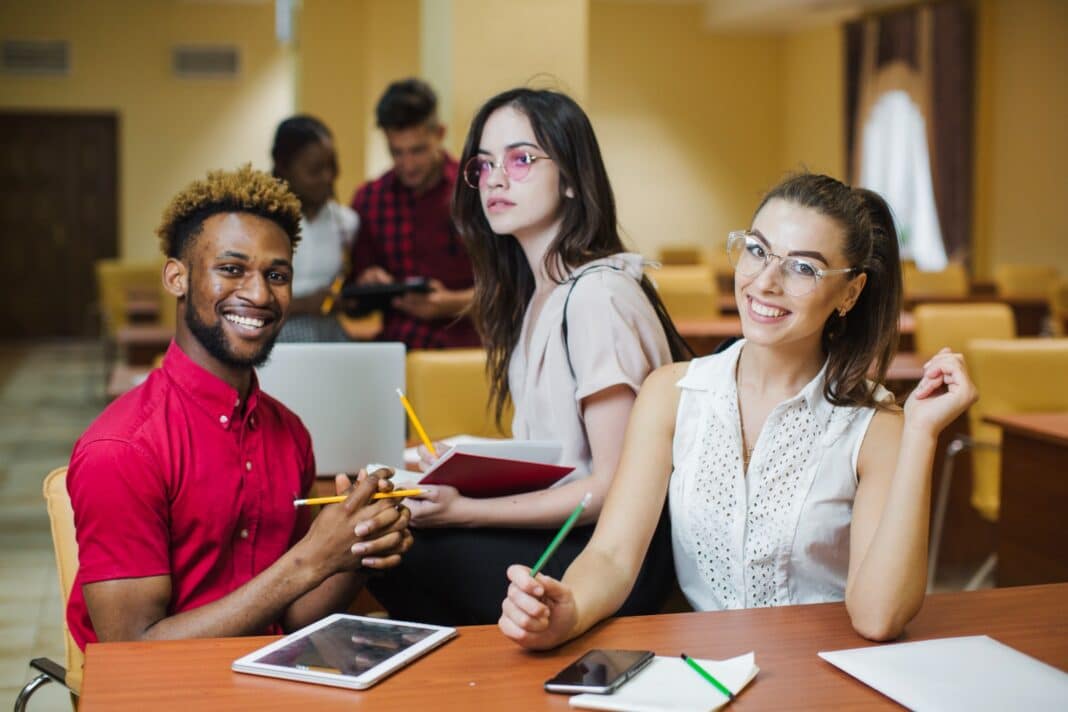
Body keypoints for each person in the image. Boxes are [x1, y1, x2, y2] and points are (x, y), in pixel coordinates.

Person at [499, 172, 980, 649]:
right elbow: (611, 556)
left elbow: (879, 618)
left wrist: (921, 434)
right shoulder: (672, 393)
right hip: (708, 673)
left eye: (803, 268)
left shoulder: (875, 425)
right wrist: (571, 607)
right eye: (757, 250)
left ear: (849, 293)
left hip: (822, 677)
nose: (765, 282)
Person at [366, 88, 692, 626]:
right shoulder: (537, 293)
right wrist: (464, 456)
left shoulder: (596, 297)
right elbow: (566, 455)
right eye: (485, 164)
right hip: (574, 529)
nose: (495, 178)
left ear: (569, 178)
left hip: (615, 555)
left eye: (521, 159)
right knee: (386, 531)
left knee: (395, 551)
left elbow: (612, 485)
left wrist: (466, 512)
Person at [66, 165, 413, 650]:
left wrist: (355, 547)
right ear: (177, 277)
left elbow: (291, 614)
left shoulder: (288, 433)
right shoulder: (123, 449)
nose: (258, 294)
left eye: (277, 275)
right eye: (231, 269)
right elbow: (132, 650)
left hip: (273, 682)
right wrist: (308, 559)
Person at [349, 78, 479, 349]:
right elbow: (353, 306)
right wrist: (369, 284)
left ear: (440, 134)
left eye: (418, 150)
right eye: (397, 152)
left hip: (466, 356)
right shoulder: (370, 200)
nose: (408, 165)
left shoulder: (476, 193)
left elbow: (515, 292)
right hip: (397, 356)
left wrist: (452, 304)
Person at [271, 115, 358, 342]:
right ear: (284, 169)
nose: (328, 177)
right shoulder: (261, 222)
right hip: (274, 340)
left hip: (328, 337)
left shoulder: (346, 223)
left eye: (332, 166)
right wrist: (303, 304)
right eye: (315, 170)